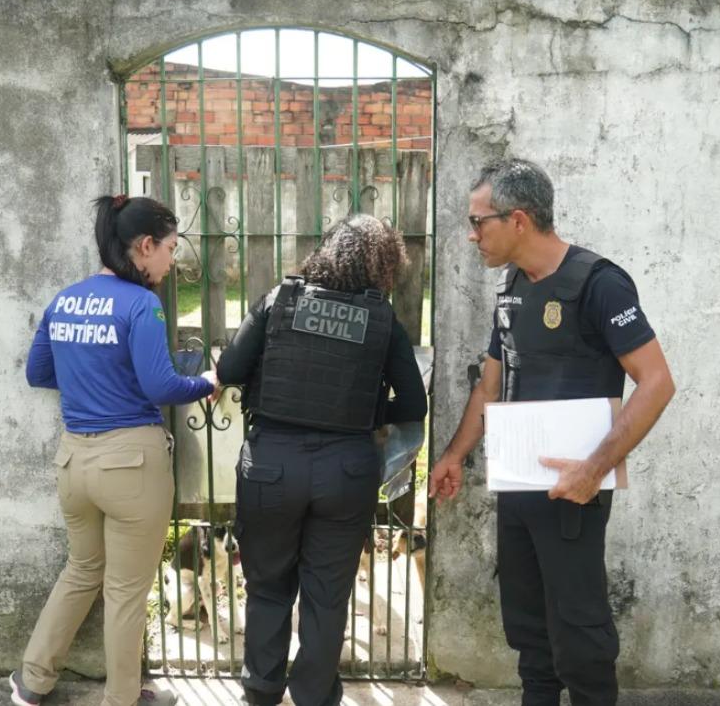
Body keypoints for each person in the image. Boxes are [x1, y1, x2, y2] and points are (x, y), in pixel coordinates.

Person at [429, 160, 675, 706]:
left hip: (573, 494)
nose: (472, 236)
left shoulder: (600, 284)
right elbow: (491, 385)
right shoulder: (511, 285)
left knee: (580, 638)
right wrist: (454, 456)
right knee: (531, 639)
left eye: (479, 222)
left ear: (518, 220)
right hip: (518, 489)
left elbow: (656, 383)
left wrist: (594, 469)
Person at [9, 194, 220, 706]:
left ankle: (32, 682)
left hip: (73, 462)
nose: (173, 261)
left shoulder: (66, 299)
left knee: (81, 570)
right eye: (170, 248)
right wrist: (209, 382)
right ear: (144, 247)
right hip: (131, 465)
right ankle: (123, 699)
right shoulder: (140, 304)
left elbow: (39, 373)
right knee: (126, 591)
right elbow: (162, 386)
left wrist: (92, 375)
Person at [217, 214, 428, 706]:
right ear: (383, 266)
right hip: (347, 470)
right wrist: (367, 412)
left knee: (268, 586)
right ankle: (313, 695)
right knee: (327, 594)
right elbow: (414, 405)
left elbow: (228, 369)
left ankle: (262, 692)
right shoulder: (382, 320)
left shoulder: (278, 301)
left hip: (272, 466)